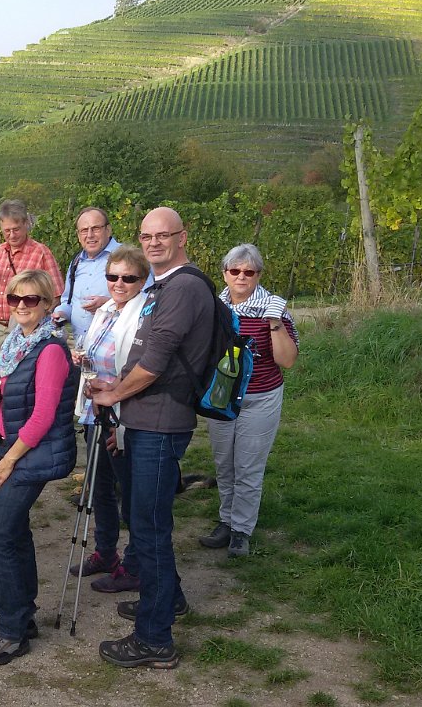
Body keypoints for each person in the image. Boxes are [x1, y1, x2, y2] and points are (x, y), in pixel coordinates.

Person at [92, 207, 215, 669]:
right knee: (148, 523)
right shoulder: (166, 286)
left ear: (182, 237)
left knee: (149, 529)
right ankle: (168, 602)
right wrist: (115, 394)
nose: (154, 243)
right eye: (147, 236)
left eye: (163, 235)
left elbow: (155, 360)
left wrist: (113, 396)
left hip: (160, 423)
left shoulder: (181, 288)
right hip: (147, 417)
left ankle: (154, 639)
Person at [0, 269, 78, 665]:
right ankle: (22, 614)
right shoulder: (16, 343)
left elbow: (43, 416)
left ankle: (12, 631)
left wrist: (9, 461)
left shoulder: (50, 350)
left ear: (48, 305)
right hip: (6, 444)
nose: (21, 306)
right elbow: (13, 393)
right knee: (15, 533)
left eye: (31, 300)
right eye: (15, 299)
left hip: (23, 455)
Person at [201, 244, 299, 558]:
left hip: (260, 397)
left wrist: (273, 323)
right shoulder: (214, 307)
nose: (241, 277)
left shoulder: (273, 307)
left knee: (247, 466)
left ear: (258, 275)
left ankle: (241, 530)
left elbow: (287, 360)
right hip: (221, 397)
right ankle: (226, 521)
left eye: (249, 272)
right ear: (225, 274)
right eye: (235, 271)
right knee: (224, 464)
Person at [71, 246, 151, 595]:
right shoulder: (105, 309)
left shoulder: (144, 314)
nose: (118, 283)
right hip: (95, 410)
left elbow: (139, 370)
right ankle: (106, 552)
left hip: (123, 415)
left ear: (142, 280)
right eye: (112, 276)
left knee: (129, 492)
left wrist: (120, 425)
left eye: (127, 278)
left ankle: (136, 565)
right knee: (99, 484)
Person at [0, 199, 65, 383]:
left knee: (22, 380)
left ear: (26, 224)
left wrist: (32, 320)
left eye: (16, 229)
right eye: (7, 230)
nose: (11, 235)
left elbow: (56, 295)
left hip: (25, 330)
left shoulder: (41, 253)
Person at [52, 208, 122, 341]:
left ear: (108, 230)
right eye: (84, 230)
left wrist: (108, 305)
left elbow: (144, 303)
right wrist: (60, 314)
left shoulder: (126, 257)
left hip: (112, 350)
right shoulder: (76, 263)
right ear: (78, 235)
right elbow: (69, 302)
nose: (90, 235)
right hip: (80, 348)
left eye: (95, 228)